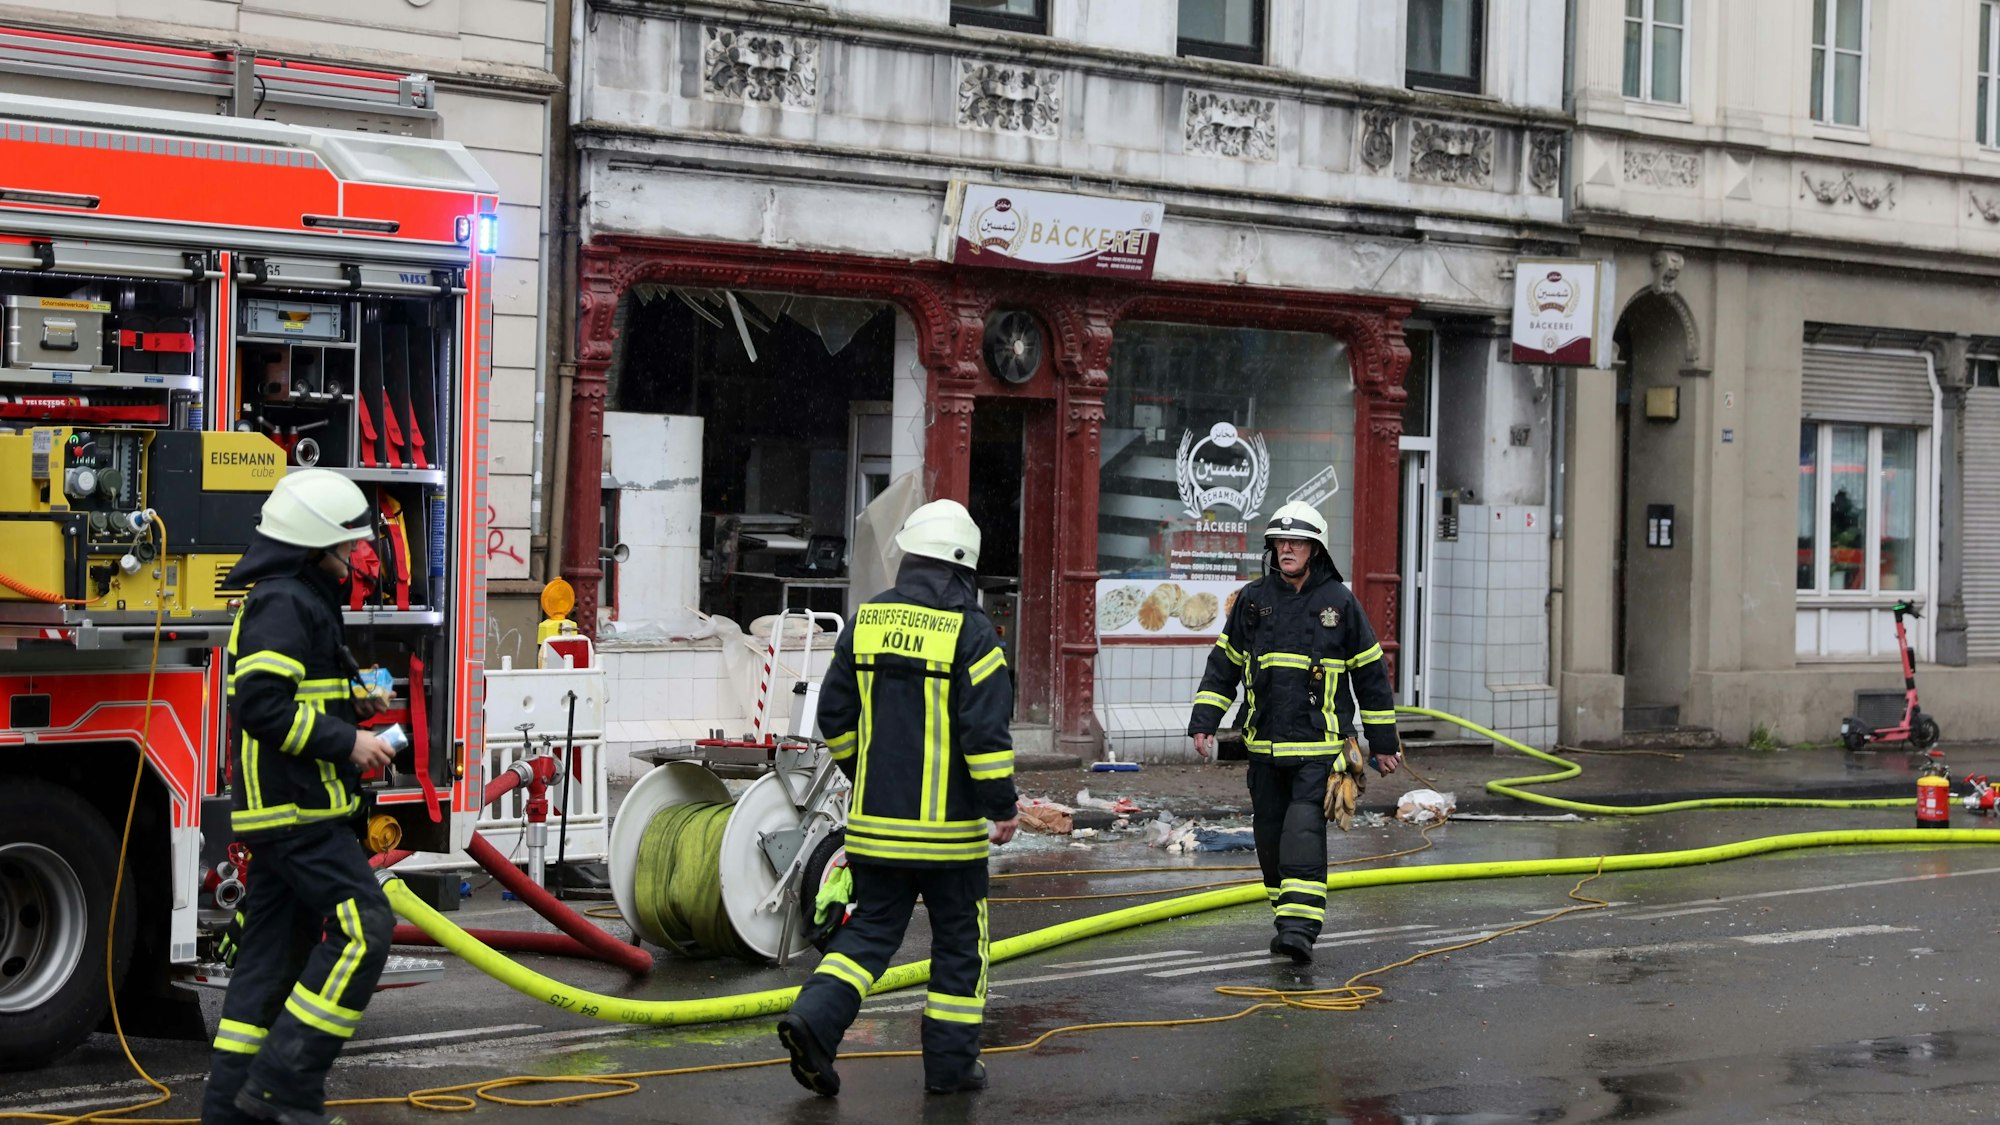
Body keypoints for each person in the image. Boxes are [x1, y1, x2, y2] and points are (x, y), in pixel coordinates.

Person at [777, 499, 1020, 1098]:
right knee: (961, 946)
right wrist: (1003, 806)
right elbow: (984, 737)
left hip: (875, 829)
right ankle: (951, 1068)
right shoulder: (973, 632)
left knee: (870, 933)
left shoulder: (865, 621)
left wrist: (867, 771)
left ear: (909, 555)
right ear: (964, 566)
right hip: (950, 840)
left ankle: (815, 1019)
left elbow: (833, 714)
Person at [203, 469, 396, 1125]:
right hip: (298, 813)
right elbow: (262, 703)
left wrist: (364, 696)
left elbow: (307, 684)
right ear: (317, 545)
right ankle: (286, 1085)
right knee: (362, 927)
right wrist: (349, 743)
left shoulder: (299, 598)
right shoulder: (284, 602)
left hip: (285, 813)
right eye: (347, 547)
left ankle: (231, 1113)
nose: (354, 559)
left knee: (266, 966)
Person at [1186, 501, 1402, 964]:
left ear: (1315, 549)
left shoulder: (1340, 604)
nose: (1287, 548)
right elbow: (1224, 665)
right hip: (1262, 748)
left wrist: (1384, 743)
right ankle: (1285, 916)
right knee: (1268, 838)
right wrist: (1205, 721)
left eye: (1297, 542)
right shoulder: (1253, 600)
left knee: (1302, 830)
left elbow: (1369, 675)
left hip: (1318, 748)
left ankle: (1299, 929)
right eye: (1281, 542)